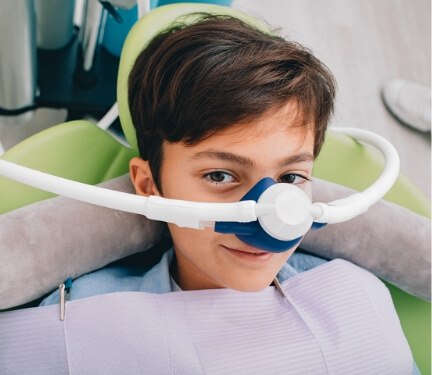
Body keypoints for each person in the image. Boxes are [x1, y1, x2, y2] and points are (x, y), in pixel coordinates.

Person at [40, 14, 417, 373]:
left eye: (289, 178)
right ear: (148, 185)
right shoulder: (81, 314)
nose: (267, 216)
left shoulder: (354, 299)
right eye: (220, 175)